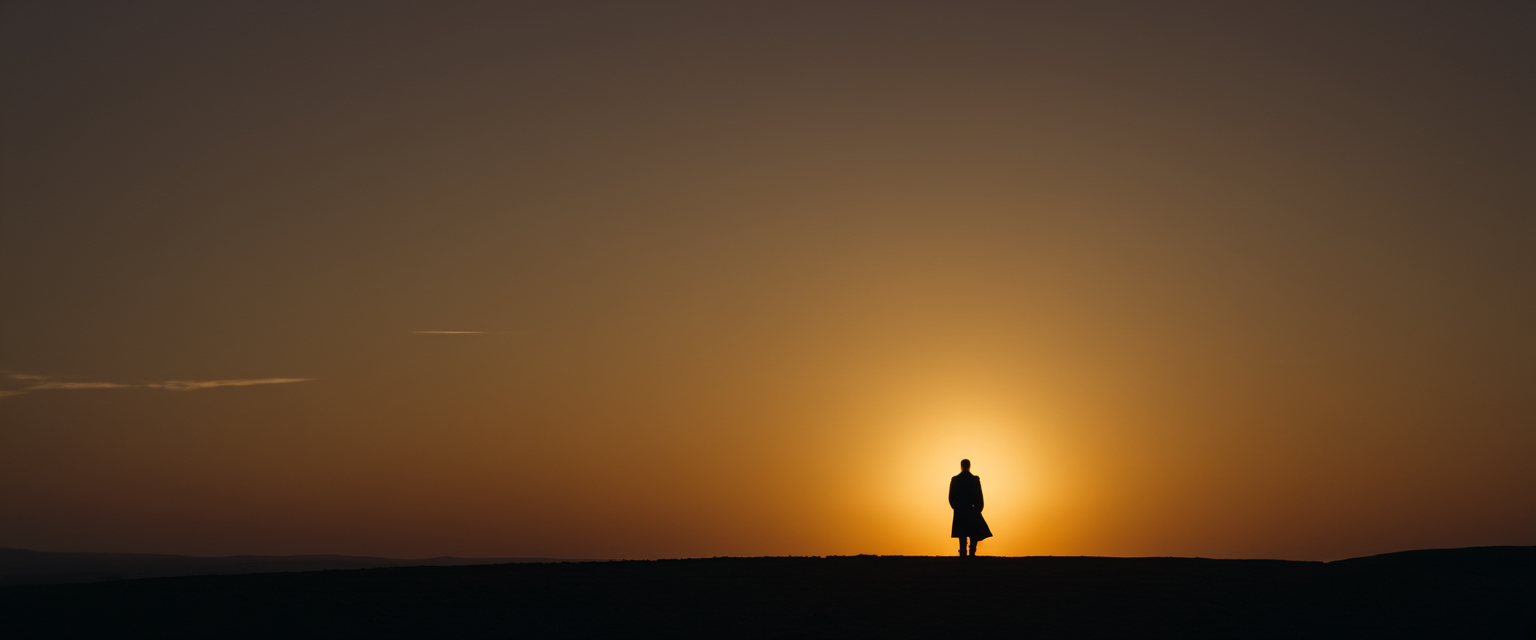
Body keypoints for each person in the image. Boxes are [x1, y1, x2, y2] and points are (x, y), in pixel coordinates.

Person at [949, 459, 992, 557]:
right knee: (973, 530)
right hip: (971, 508)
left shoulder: (955, 479)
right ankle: (972, 549)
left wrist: (955, 506)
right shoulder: (974, 479)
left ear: (961, 466)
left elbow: (951, 496)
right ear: (969, 466)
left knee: (962, 532)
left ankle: (963, 551)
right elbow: (979, 495)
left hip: (960, 509)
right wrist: (979, 508)